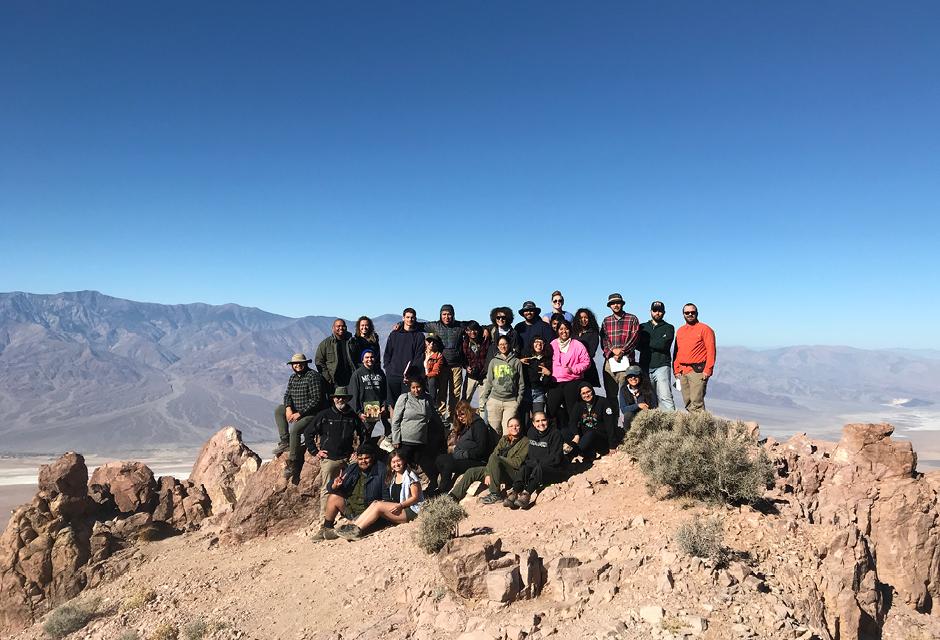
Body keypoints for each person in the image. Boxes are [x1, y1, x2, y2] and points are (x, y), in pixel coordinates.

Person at [305, 387, 367, 517]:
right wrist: (315, 451)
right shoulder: (324, 415)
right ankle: (325, 517)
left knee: (355, 482)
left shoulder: (352, 416)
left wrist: (359, 452)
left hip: (348, 457)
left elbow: (363, 433)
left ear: (347, 399)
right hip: (330, 458)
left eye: (343, 397)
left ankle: (350, 511)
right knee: (327, 488)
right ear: (333, 399)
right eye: (338, 397)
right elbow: (308, 432)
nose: (340, 399)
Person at [335, 450, 424, 540]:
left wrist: (400, 505)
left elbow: (415, 498)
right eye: (393, 462)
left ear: (404, 461)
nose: (396, 464)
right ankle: (354, 526)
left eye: (398, 461)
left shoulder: (410, 476)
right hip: (399, 507)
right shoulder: (393, 476)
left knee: (378, 505)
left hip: (410, 510)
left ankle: (356, 531)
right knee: (376, 503)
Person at [311, 443, 387, 542]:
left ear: (372, 457)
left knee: (358, 525)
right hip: (352, 508)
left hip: (369, 512)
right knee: (333, 496)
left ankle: (346, 530)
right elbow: (330, 487)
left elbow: (386, 497)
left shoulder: (382, 471)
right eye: (360, 459)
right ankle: (326, 528)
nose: (363, 461)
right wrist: (335, 485)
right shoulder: (353, 468)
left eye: (366, 458)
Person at [453, 416, 530, 503]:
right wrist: (488, 473)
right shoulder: (504, 439)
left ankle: (495, 494)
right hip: (497, 470)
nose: (514, 428)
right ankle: (453, 496)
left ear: (520, 426)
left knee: (495, 459)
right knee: (471, 472)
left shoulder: (525, 441)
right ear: (508, 428)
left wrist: (500, 459)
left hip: (512, 473)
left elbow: (517, 463)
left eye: (517, 425)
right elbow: (494, 455)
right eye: (511, 426)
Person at [390, 377, 445, 493]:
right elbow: (396, 420)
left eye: (418, 387)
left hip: (421, 441)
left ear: (423, 386)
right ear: (410, 388)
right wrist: (396, 439)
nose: (416, 390)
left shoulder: (427, 399)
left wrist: (444, 428)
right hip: (404, 441)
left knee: (428, 466)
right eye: (413, 388)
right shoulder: (404, 398)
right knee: (401, 468)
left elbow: (435, 416)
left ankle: (433, 488)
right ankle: (397, 492)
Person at [504, 411, 565, 510]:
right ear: (533, 423)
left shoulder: (555, 434)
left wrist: (537, 464)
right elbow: (531, 455)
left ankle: (526, 495)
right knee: (525, 467)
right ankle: (514, 493)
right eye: (537, 421)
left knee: (539, 468)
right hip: (536, 466)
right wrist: (531, 464)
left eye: (543, 420)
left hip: (554, 469)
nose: (541, 423)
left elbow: (555, 458)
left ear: (548, 420)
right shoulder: (531, 432)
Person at [273, 353, 326, 465]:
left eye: (300, 363)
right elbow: (287, 395)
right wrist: (288, 408)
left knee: (295, 429)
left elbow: (316, 399)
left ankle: (293, 461)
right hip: (297, 410)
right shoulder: (293, 377)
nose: (297, 365)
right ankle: (285, 441)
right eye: (295, 363)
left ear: (305, 363)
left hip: (312, 414)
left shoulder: (313, 376)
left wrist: (300, 413)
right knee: (279, 410)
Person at [434, 401, 495, 494]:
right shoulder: (465, 425)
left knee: (448, 464)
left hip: (477, 460)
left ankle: (443, 491)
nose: (460, 418)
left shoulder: (478, 425)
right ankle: (444, 484)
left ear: (468, 412)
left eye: (462, 414)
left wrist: (463, 454)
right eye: (458, 416)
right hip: (463, 456)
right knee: (440, 459)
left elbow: (481, 449)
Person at [600, 293, 641, 431]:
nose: (615, 305)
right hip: (610, 363)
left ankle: (628, 428)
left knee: (626, 394)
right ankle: (613, 428)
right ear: (610, 305)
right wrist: (613, 351)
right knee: (611, 396)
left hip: (627, 363)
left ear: (622, 304)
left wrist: (622, 351)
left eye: (618, 302)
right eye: (613, 303)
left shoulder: (632, 319)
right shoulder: (606, 321)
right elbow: (604, 340)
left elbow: (635, 338)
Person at [422, 304, 470, 421]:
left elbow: (473, 325)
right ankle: (441, 415)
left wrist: (486, 330)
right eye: (444, 314)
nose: (446, 317)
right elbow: (419, 326)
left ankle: (452, 416)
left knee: (455, 392)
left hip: (456, 365)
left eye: (449, 314)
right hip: (442, 365)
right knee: (442, 391)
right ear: (440, 315)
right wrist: (400, 325)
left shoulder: (460, 326)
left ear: (453, 315)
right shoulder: (435, 326)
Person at [546, 320, 591, 430]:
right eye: (561, 329)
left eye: (566, 329)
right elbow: (546, 359)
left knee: (572, 410)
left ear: (570, 330)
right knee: (550, 409)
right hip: (556, 381)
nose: (564, 331)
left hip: (573, 381)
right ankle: (553, 434)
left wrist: (573, 369)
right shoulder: (552, 344)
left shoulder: (577, 344)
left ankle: (575, 434)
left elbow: (586, 362)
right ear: (557, 331)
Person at [673, 303, 717, 412]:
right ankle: (694, 427)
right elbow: (677, 352)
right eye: (687, 313)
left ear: (697, 313)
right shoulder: (680, 330)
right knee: (687, 402)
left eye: (692, 312)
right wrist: (676, 370)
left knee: (697, 403)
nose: (690, 314)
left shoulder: (705, 329)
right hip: (683, 371)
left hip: (697, 371)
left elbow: (711, 351)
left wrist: (708, 370)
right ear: (683, 314)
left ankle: (702, 428)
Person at [479, 335, 526, 434]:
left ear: (509, 345)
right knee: (494, 430)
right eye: (500, 344)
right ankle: (495, 449)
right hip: (494, 400)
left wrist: (518, 401)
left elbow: (521, 383)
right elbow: (489, 381)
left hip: (510, 402)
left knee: (508, 432)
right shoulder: (494, 361)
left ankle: (506, 450)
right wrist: (485, 399)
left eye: (505, 344)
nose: (503, 346)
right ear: (497, 346)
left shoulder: (516, 362)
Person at [383, 308, 425, 409]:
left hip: (408, 378)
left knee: (408, 405)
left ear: (415, 319)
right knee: (393, 405)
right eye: (407, 317)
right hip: (393, 375)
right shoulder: (394, 334)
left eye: (412, 317)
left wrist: (411, 375)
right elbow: (387, 353)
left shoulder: (419, 336)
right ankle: (394, 425)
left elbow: (418, 357)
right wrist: (388, 369)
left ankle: (405, 425)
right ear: (403, 318)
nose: (410, 319)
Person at [637, 301, 676, 411]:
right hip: (645, 366)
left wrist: (647, 342)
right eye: (655, 310)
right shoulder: (642, 327)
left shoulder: (669, 328)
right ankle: (652, 423)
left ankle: (672, 424)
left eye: (660, 311)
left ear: (664, 313)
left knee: (665, 396)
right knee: (648, 397)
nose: (657, 313)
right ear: (650, 312)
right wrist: (656, 342)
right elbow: (637, 345)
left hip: (662, 365)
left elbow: (664, 345)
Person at [564, 382, 615, 462]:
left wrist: (612, 445)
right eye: (583, 393)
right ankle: (585, 453)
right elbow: (572, 422)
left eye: (588, 392)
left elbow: (610, 424)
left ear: (592, 391)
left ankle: (571, 455)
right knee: (564, 431)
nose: (586, 395)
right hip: (585, 439)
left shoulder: (603, 402)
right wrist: (576, 434)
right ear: (580, 395)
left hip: (600, 438)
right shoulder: (578, 405)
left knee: (591, 433)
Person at [348, 348, 391, 442]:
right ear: (362, 359)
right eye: (366, 357)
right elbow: (353, 395)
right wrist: (358, 412)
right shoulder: (357, 374)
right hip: (367, 407)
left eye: (371, 357)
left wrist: (384, 405)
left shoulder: (380, 372)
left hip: (380, 407)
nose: (369, 359)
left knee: (388, 432)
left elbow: (385, 391)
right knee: (366, 434)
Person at [316, 319, 357, 393]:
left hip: (351, 380)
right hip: (334, 383)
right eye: (338, 326)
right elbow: (319, 361)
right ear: (333, 328)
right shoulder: (326, 344)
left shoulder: (352, 342)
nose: (341, 328)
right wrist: (328, 378)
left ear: (346, 327)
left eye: (343, 326)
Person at [519, 336, 554, 418]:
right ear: (532, 344)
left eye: (541, 342)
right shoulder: (526, 357)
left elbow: (547, 382)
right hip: (525, 391)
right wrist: (519, 362)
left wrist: (548, 374)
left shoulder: (548, 360)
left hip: (539, 392)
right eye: (536, 342)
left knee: (539, 417)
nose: (539, 344)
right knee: (525, 419)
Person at [461, 321, 491, 402]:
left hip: (484, 376)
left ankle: (481, 415)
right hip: (471, 376)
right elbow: (462, 359)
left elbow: (493, 325)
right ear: (466, 331)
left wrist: (486, 329)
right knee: (465, 400)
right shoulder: (464, 343)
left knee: (483, 403)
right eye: (469, 330)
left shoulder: (485, 340)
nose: (472, 332)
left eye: (475, 330)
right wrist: (466, 367)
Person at [573, 308, 601, 389]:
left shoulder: (593, 334)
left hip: (587, 368)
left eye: (586, 317)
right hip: (573, 367)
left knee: (587, 392)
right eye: (581, 318)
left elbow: (591, 353)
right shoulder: (573, 333)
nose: (583, 320)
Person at [423, 335, 445, 415]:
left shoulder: (438, 356)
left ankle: (433, 405)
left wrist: (426, 374)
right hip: (420, 377)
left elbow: (436, 371)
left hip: (429, 379)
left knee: (432, 380)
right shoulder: (421, 353)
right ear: (426, 342)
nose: (431, 343)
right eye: (429, 341)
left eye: (434, 342)